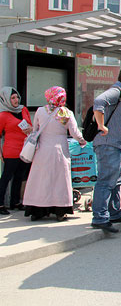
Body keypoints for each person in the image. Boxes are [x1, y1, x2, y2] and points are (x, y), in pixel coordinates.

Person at [23, 87, 86, 222]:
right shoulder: (65, 113)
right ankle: (60, 211)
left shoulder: (40, 111)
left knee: (40, 180)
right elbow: (74, 133)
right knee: (59, 181)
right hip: (60, 151)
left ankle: (37, 210)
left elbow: (36, 129)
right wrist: (83, 142)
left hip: (42, 151)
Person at [91, 65, 121, 233]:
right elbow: (99, 102)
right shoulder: (116, 91)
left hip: (120, 145)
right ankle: (99, 217)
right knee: (106, 182)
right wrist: (101, 126)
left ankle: (114, 213)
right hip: (109, 145)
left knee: (116, 182)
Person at [0, 87, 33, 214]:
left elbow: (30, 125)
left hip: (25, 149)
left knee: (19, 176)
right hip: (11, 150)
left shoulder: (23, 109)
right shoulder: (3, 115)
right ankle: (1, 204)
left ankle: (15, 202)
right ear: (6, 99)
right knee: (6, 177)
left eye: (17, 97)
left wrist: (30, 129)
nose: (16, 100)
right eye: (12, 98)